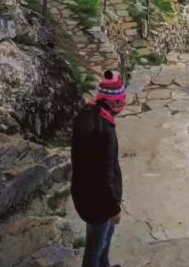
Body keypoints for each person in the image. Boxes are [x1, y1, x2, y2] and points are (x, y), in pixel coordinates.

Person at [71, 70, 127, 267]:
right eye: (121, 99)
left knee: (104, 237)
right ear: (114, 102)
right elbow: (104, 175)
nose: (123, 104)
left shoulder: (88, 114)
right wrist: (113, 208)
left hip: (85, 193)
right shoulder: (104, 132)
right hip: (98, 202)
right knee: (94, 248)